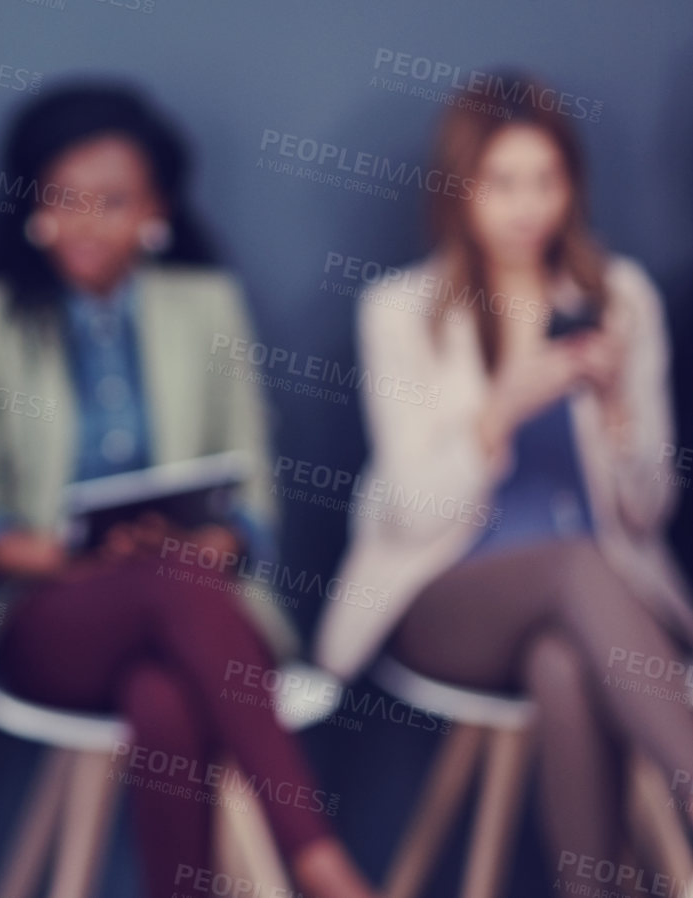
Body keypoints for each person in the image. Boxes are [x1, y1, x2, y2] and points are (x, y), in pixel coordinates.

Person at [0, 84, 374, 898]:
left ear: (154, 211)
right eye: (64, 199)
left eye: (112, 202)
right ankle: (320, 862)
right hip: (42, 615)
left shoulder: (204, 308)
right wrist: (78, 553)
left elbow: (251, 493)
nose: (86, 222)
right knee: (168, 581)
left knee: (163, 696)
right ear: (33, 204)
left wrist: (218, 539)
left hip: (190, 606)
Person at [318, 73, 693, 888]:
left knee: (561, 659)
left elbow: (649, 509)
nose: (526, 207)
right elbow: (410, 513)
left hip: (598, 610)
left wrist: (617, 412)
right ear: (460, 191)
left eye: (545, 181)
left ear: (572, 186)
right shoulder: (401, 310)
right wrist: (498, 410)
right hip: (445, 597)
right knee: (571, 562)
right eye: (501, 184)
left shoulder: (620, 300)